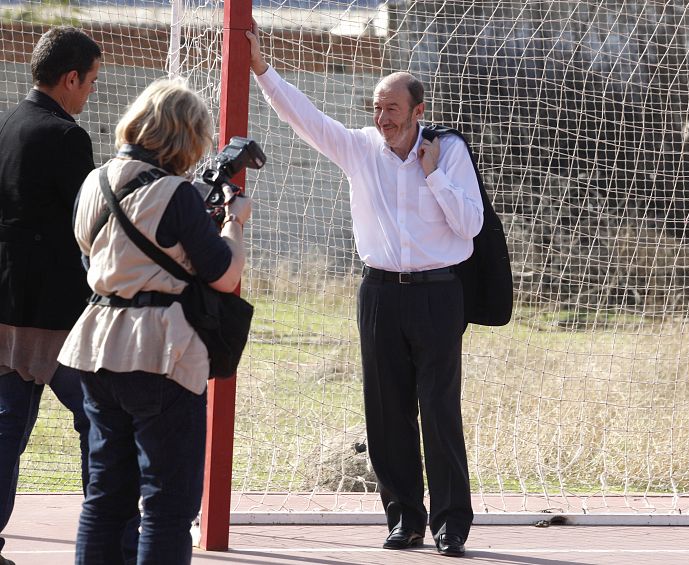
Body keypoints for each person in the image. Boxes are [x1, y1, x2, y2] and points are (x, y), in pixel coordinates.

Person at [247, 20, 483, 557]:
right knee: (385, 410)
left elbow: (469, 226)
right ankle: (404, 518)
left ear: (418, 112)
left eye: (392, 110)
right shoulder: (358, 148)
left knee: (438, 410)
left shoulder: (448, 153)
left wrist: (433, 176)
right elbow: (303, 117)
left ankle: (452, 524)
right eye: (376, 109)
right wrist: (263, 69)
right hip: (379, 295)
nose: (381, 119)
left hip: (437, 294)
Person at [56, 78, 252, 564]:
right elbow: (225, 275)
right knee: (168, 502)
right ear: (183, 135)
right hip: (160, 351)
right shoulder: (176, 193)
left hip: (97, 344)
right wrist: (234, 223)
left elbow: (93, 261)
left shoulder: (94, 182)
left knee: (105, 495)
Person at [0, 26, 101, 565]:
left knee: (7, 428)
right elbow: (92, 221)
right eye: (89, 83)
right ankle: (104, 540)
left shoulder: (11, 122)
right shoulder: (66, 138)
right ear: (69, 79)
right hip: (56, 316)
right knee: (101, 422)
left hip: (8, 307)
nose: (88, 94)